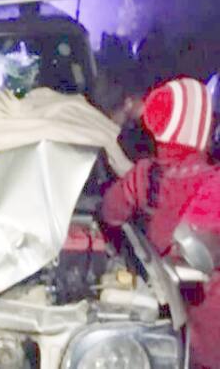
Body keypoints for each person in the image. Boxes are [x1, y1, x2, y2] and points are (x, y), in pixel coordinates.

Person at [101, 76, 220, 368]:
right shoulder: (213, 183)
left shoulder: (144, 174)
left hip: (162, 306)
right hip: (208, 319)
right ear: (200, 128)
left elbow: (110, 213)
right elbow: (198, 244)